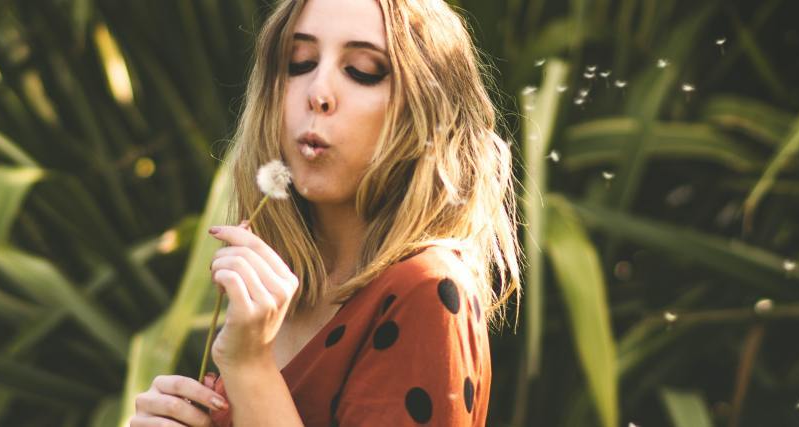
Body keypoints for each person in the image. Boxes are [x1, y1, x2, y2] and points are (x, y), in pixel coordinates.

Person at [130, 0, 520, 425]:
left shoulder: (426, 290)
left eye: (362, 71)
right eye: (299, 63)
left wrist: (250, 367)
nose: (318, 93)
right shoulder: (277, 300)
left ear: (425, 110)